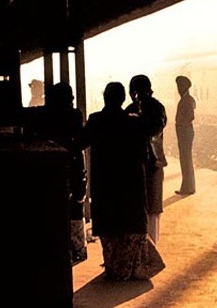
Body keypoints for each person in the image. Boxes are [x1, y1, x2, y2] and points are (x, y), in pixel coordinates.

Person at [84, 81, 165, 281]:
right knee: (129, 230)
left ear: (104, 97)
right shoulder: (135, 122)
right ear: (123, 98)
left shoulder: (96, 121)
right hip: (130, 188)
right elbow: (153, 135)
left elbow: (79, 141)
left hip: (104, 187)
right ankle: (126, 269)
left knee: (109, 232)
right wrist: (143, 102)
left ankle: (112, 267)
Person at [31, 81, 89, 264]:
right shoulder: (74, 115)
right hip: (73, 166)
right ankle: (77, 249)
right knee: (76, 209)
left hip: (51, 170)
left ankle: (58, 248)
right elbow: (79, 139)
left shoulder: (44, 116)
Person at [127, 74, 169, 243]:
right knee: (150, 209)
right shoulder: (154, 108)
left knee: (148, 208)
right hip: (150, 164)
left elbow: (154, 128)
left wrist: (138, 116)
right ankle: (148, 248)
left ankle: (146, 248)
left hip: (149, 164)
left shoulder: (148, 108)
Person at [173, 75, 197, 195]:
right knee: (185, 159)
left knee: (186, 159)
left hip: (185, 132)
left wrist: (181, 125)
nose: (178, 88)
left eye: (180, 86)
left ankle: (188, 187)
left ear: (185, 87)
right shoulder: (185, 99)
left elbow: (190, 116)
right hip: (184, 131)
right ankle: (187, 186)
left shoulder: (188, 100)